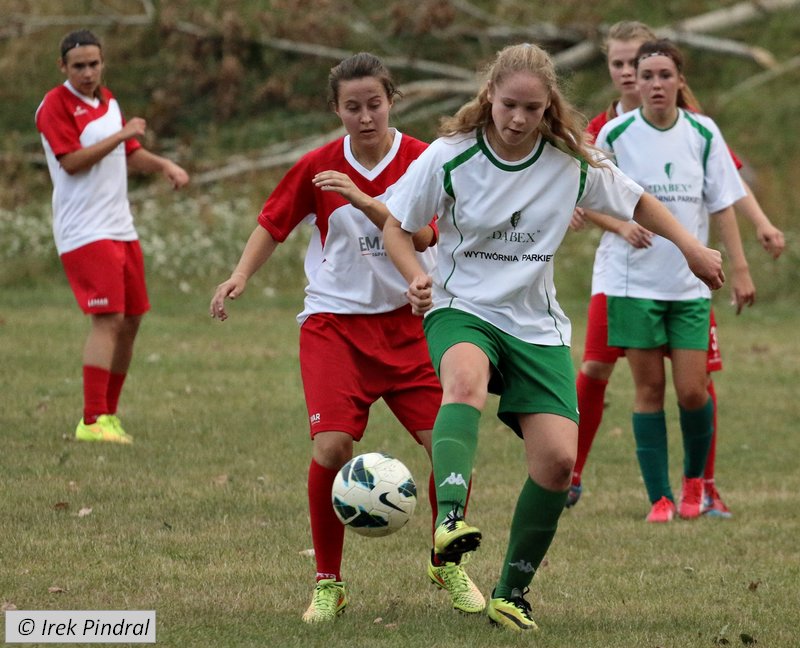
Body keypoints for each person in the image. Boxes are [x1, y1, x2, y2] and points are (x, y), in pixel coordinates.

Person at [329, 43, 723, 630]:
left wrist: (690, 247)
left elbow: (637, 198)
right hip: (460, 307)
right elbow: (396, 226)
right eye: (508, 104)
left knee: (559, 462)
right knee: (463, 380)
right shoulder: (450, 156)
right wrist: (416, 277)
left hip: (536, 323)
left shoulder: (570, 161)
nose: (517, 119)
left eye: (532, 109)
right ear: (489, 96)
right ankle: (451, 518)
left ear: (548, 109)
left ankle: (511, 593)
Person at [209, 52, 484, 623]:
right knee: (332, 449)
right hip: (335, 327)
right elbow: (273, 222)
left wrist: (365, 200)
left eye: (374, 104)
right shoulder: (318, 165)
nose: (365, 117)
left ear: (392, 101)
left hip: (409, 328)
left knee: (449, 446)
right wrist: (239, 275)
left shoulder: (421, 159)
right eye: (352, 107)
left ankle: (446, 560)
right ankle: (328, 582)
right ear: (336, 109)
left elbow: (428, 233)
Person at [567, 21, 785, 516]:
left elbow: (724, 198)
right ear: (631, 81)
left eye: (664, 73)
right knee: (634, 384)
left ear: (678, 79)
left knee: (692, 390)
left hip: (689, 285)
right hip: (631, 283)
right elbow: (581, 189)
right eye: (641, 72)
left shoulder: (703, 130)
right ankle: (656, 496)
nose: (652, 82)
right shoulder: (613, 132)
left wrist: (745, 263)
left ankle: (698, 487)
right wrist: (615, 225)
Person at [35, 29, 190, 444]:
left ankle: (109, 415)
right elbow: (71, 162)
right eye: (79, 66)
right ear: (63, 67)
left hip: (120, 226)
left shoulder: (108, 101)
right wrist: (120, 135)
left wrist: (163, 166)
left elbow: (129, 154)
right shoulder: (54, 105)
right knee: (108, 319)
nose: (88, 72)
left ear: (102, 62)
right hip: (84, 230)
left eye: (94, 64)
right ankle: (90, 421)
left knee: (133, 318)